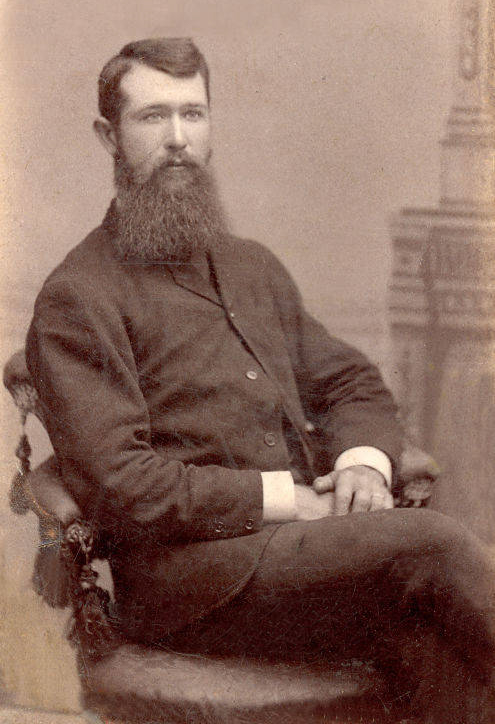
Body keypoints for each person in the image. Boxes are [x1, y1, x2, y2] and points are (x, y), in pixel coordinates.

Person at [26, 38, 494, 723]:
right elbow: (118, 484)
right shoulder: (80, 294)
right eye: (153, 118)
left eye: (194, 114)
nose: (179, 139)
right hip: (187, 585)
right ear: (110, 137)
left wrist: (362, 464)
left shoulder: (251, 267)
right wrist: (285, 497)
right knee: (430, 543)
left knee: (435, 647)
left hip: (301, 566)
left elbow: (351, 383)